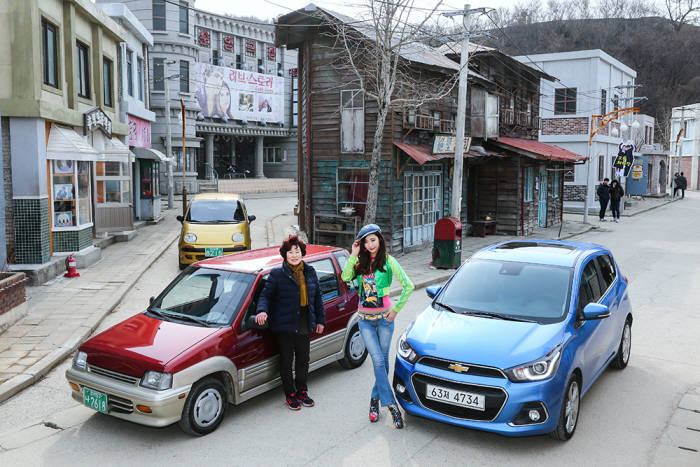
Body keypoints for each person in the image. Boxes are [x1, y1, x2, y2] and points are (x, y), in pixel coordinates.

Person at [341, 224, 414, 429]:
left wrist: (395, 310)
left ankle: (374, 401)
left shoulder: (389, 261)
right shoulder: (359, 263)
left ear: (380, 240)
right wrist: (353, 255)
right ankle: (391, 406)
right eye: (366, 241)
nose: (370, 244)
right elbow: (346, 278)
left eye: (373, 240)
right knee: (378, 361)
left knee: (384, 363)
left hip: (384, 320)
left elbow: (409, 286)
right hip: (364, 321)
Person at [255, 235, 326, 410]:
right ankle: (290, 394)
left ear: (302, 253)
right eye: (290, 252)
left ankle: (302, 391)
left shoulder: (310, 271)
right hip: (285, 324)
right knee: (287, 361)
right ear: (285, 255)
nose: (294, 255)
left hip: (305, 320)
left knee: (303, 359)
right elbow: (265, 296)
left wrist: (320, 320)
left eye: (297, 251)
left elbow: (317, 298)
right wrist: (262, 310)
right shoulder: (278, 274)